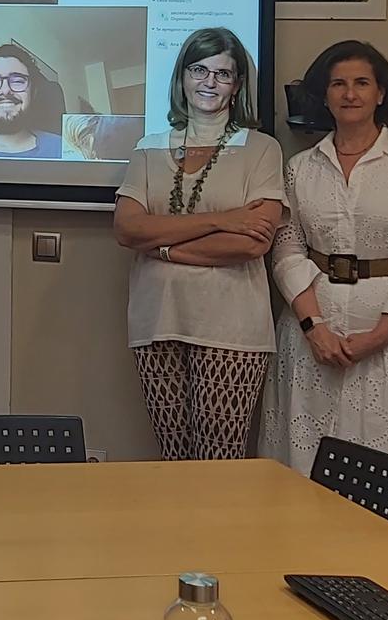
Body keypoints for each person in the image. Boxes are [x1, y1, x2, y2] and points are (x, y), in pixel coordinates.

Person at [259, 41, 388, 477]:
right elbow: (287, 249)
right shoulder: (300, 168)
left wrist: (377, 337)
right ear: (325, 95)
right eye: (339, 84)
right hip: (313, 340)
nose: (350, 93)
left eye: (362, 83)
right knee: (306, 463)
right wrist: (314, 328)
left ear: (381, 93)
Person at [112, 29, 285, 460]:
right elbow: (128, 229)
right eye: (199, 70)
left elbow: (251, 243)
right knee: (173, 457)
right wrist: (221, 220)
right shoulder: (148, 148)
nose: (209, 82)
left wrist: (165, 246)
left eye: (223, 73)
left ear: (238, 84)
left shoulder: (261, 149)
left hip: (232, 328)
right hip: (157, 320)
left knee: (219, 461)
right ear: (183, 78)